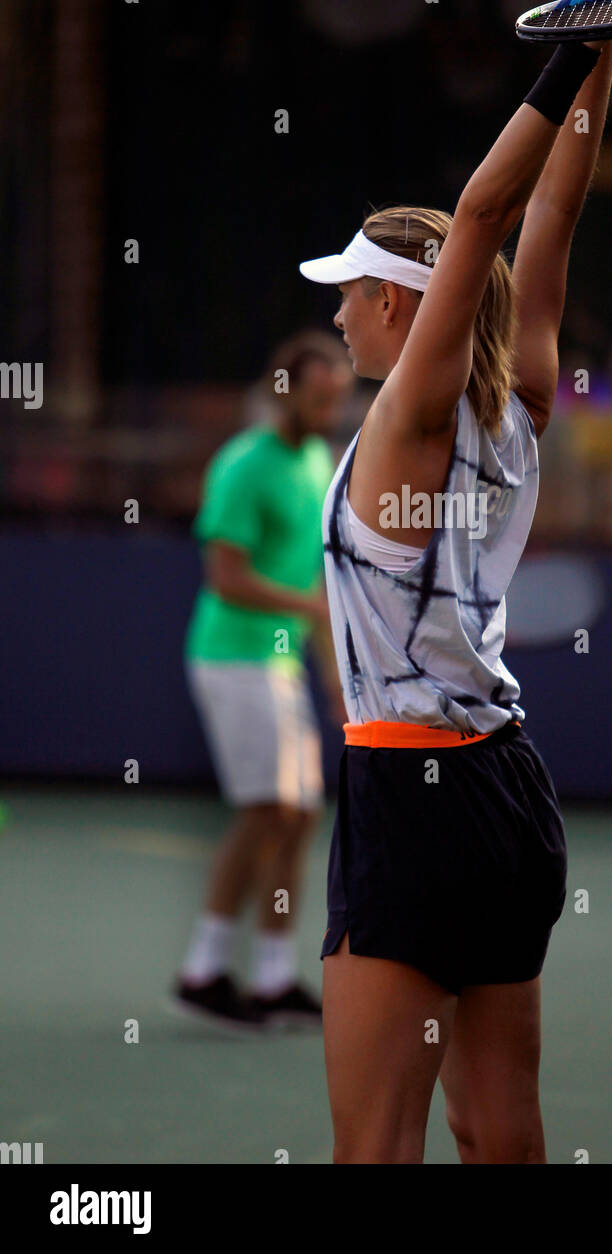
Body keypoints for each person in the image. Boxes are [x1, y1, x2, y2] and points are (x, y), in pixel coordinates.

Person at [299, 0, 612, 1159]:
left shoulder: (410, 415)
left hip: (406, 792)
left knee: (372, 1147)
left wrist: (571, 46)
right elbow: (552, 207)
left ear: (404, 306)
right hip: (506, 794)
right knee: (500, 1126)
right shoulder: (519, 402)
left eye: (352, 289)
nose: (337, 309)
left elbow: (488, 212)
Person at [171, 332, 353, 1032]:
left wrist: (335, 683)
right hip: (229, 656)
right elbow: (227, 576)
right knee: (267, 810)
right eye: (319, 397)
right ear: (284, 391)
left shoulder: (316, 461)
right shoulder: (244, 465)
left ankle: (275, 978)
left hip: (277, 663)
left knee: (300, 814)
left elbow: (312, 582)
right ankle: (203, 970)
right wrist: (310, 607)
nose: (330, 410)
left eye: (338, 399)